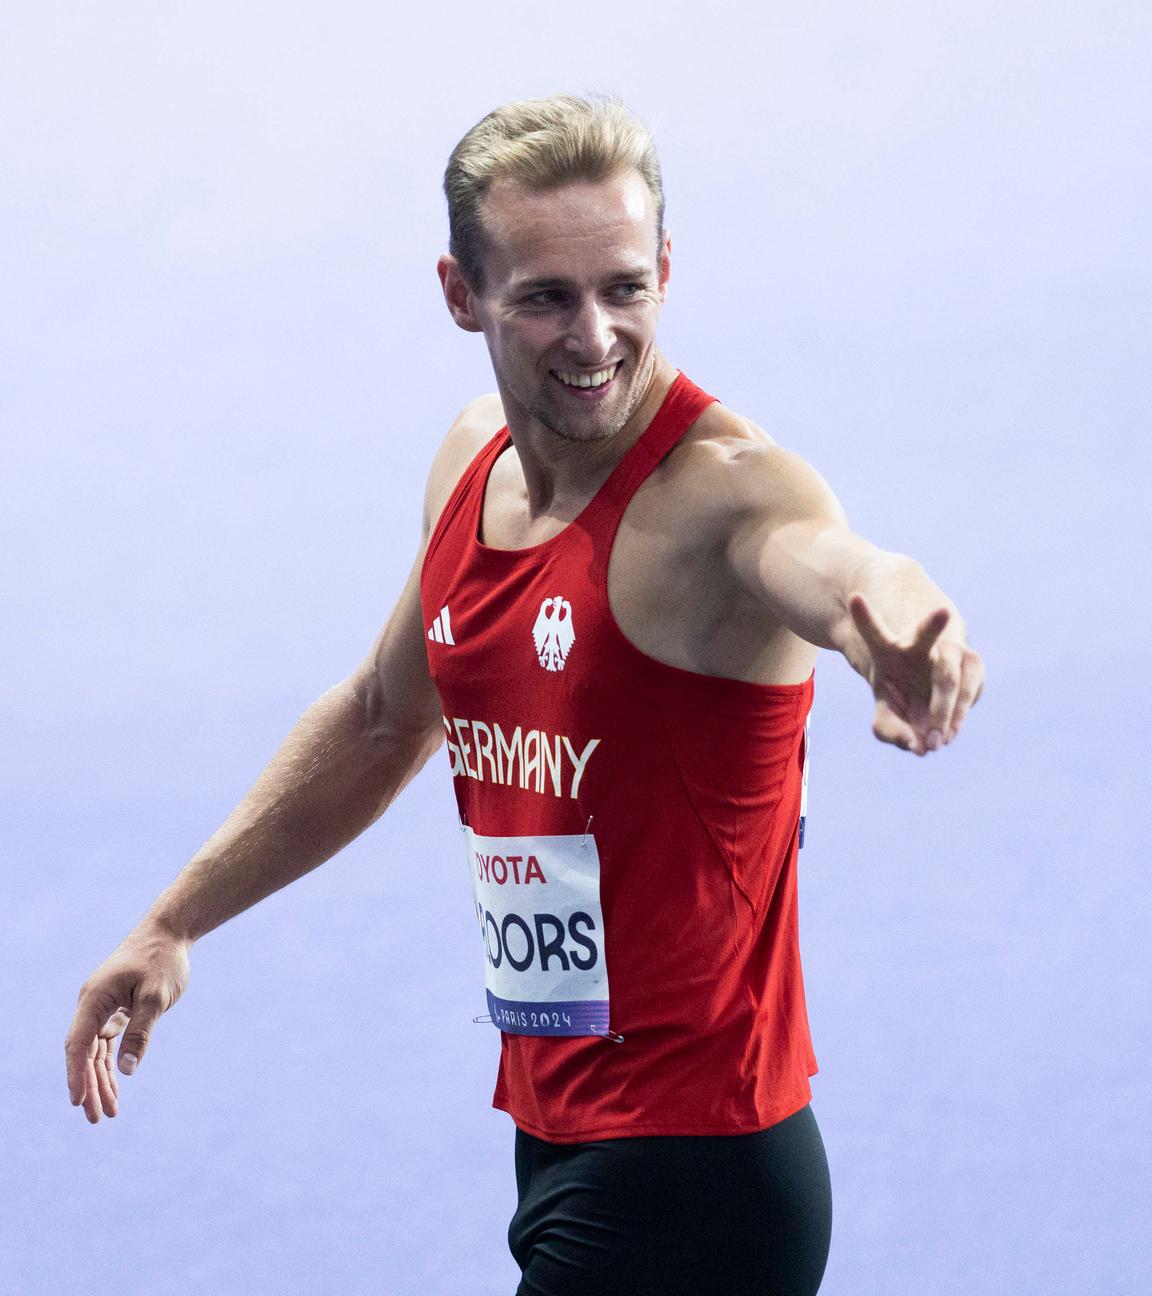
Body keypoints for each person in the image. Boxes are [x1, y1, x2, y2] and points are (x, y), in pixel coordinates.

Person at [65, 93, 985, 1295]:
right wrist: (175, 920)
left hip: (699, 1170)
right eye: (546, 296)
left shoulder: (723, 498)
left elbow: (834, 563)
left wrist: (908, 621)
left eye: (624, 288)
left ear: (666, 271)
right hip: (557, 1133)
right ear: (460, 296)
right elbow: (384, 719)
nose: (594, 336)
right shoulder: (471, 464)